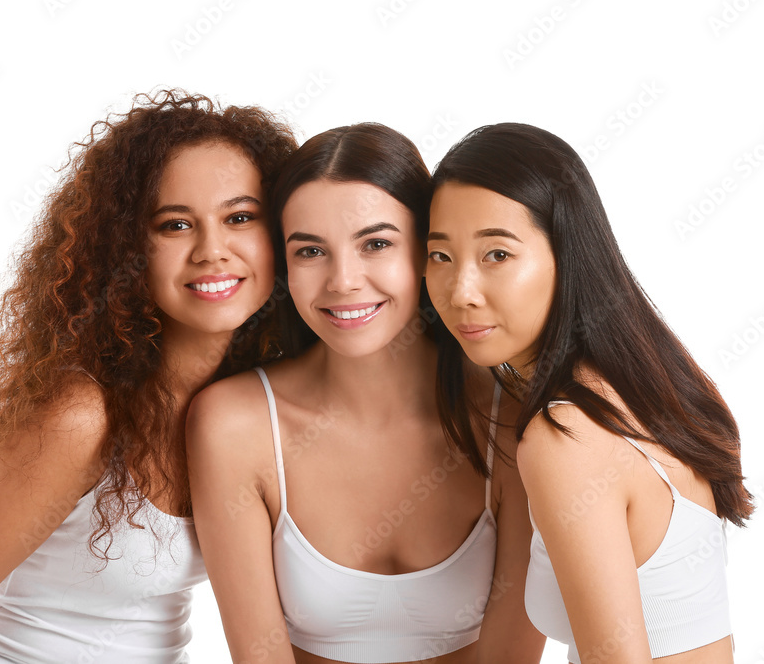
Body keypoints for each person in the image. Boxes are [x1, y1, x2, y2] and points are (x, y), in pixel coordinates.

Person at [0, 89, 297, 664]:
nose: (212, 250)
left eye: (240, 217)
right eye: (175, 225)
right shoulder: (81, 416)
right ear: (129, 248)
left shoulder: (252, 405)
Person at [187, 123, 544, 664]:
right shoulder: (234, 425)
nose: (343, 281)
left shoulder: (513, 422)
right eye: (310, 252)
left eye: (376, 244)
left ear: (429, 250)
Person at [425, 122, 752, 663]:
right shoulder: (655, 379)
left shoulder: (565, 437)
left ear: (566, 252)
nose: (460, 291)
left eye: (497, 255)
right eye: (440, 256)